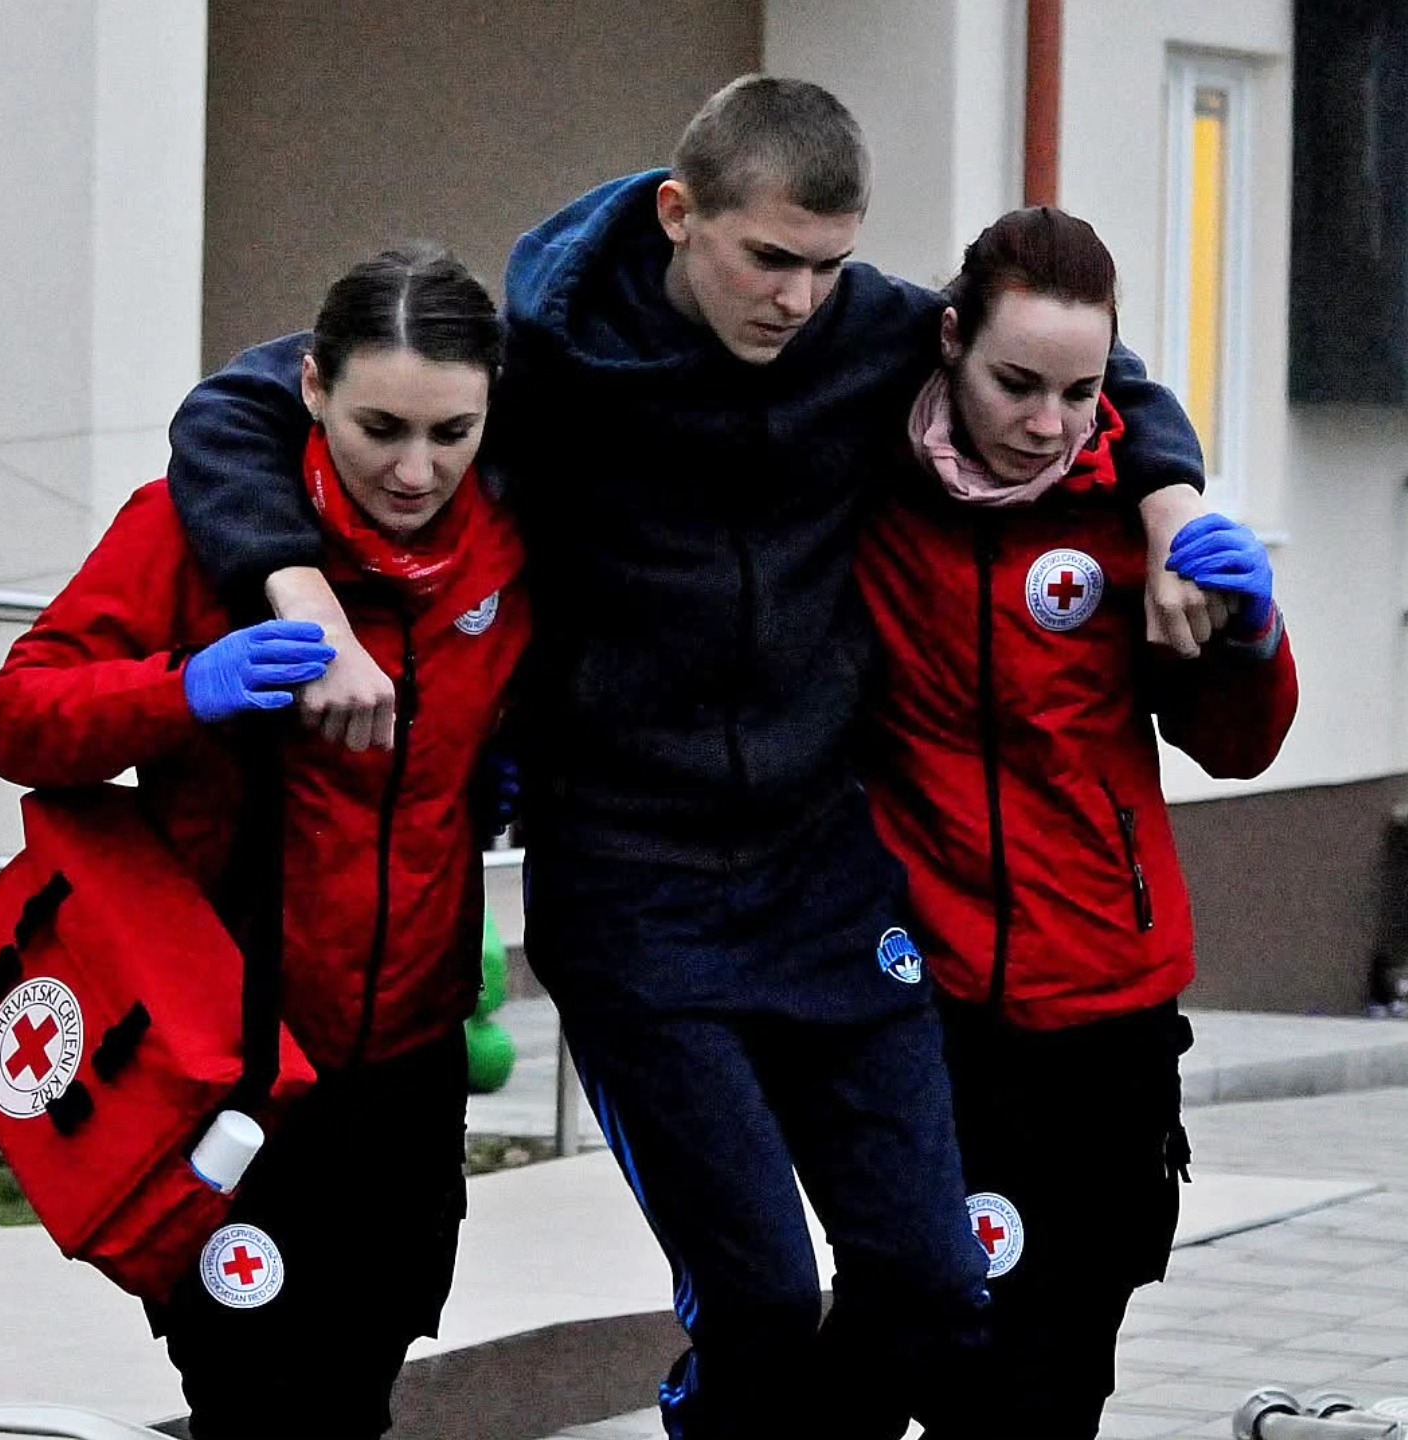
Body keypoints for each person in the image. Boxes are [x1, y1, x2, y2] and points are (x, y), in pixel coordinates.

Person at [162, 77, 1214, 1439]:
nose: (797, 298)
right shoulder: (546, 352)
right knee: (762, 1297)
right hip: (634, 886)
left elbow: (1101, 377)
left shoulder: (871, 334)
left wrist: (1174, 511)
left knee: (934, 1285)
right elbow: (237, 409)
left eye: (827, 266)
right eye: (767, 258)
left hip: (821, 878)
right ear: (679, 214)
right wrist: (300, 599)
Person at [0, 245, 529, 1440]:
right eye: (381, 427)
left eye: (452, 432)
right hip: (230, 1063)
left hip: (407, 1064)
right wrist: (186, 688)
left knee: (357, 1392)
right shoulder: (194, 529)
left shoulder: (507, 541)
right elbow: (16, 719)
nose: (417, 469)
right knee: (256, 1403)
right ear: (314, 388)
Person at [857, 207, 1299, 1437]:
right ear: (951, 341)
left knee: (1057, 1372)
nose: (1049, 424)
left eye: (1081, 391)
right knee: (926, 1344)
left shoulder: (1131, 511)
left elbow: (1237, 743)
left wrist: (1251, 636)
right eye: (1017, 385)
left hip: (1106, 1010)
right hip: (928, 1007)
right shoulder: (871, 490)